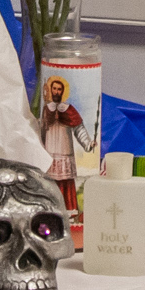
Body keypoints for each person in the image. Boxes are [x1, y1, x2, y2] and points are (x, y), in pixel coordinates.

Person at [40, 77, 84, 214]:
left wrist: (88, 144)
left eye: (59, 89)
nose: (56, 92)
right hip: (50, 150)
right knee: (51, 182)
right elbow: (42, 131)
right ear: (51, 90)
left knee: (66, 182)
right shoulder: (46, 109)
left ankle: (69, 211)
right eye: (54, 88)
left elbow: (79, 128)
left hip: (64, 149)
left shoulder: (68, 109)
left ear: (63, 91)